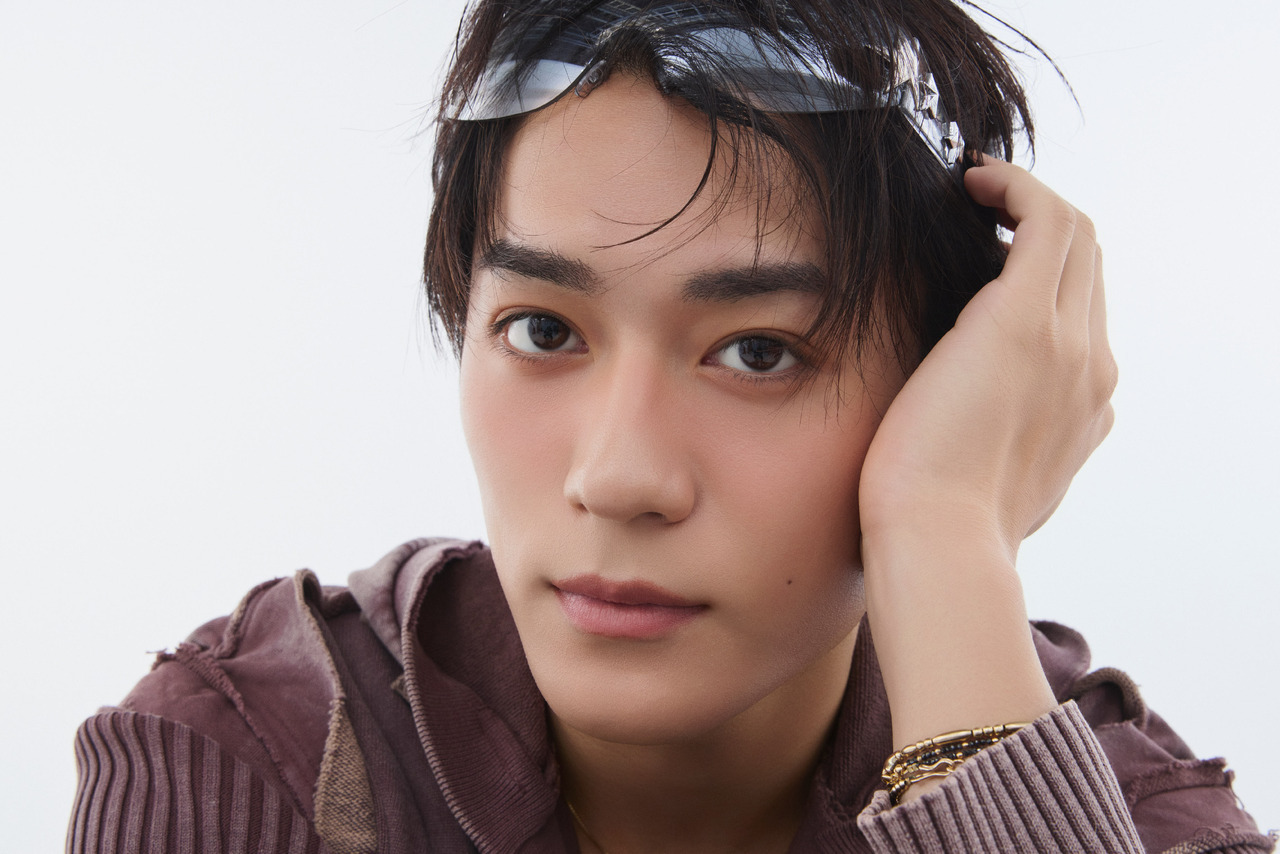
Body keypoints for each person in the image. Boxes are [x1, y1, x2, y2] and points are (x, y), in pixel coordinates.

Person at [67, 1, 1273, 852]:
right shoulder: (248, 759)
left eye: (757, 351)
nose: (618, 475)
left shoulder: (1126, 812)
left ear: (946, 386)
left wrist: (948, 530)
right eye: (544, 329)